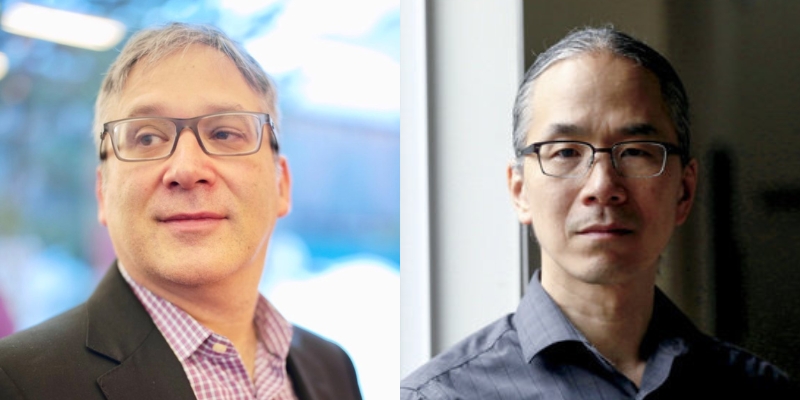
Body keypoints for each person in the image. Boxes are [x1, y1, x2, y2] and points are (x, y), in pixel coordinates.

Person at [401, 26, 795, 399]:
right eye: (566, 152)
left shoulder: (760, 390)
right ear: (519, 190)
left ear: (684, 190)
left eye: (637, 151)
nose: (602, 187)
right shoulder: (443, 394)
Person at [0, 23, 362, 400]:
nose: (187, 170)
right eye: (147, 138)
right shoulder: (15, 383)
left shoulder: (331, 367)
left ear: (281, 186)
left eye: (224, 134)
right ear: (102, 193)